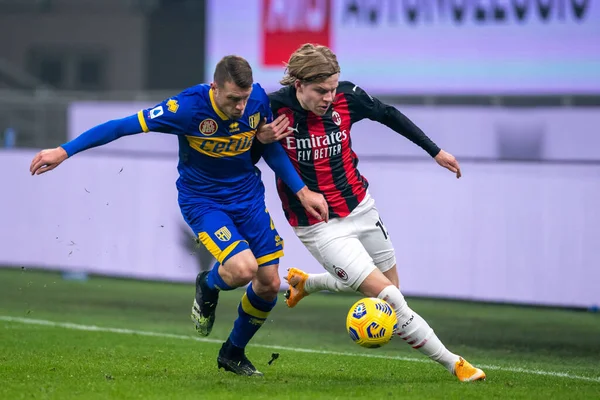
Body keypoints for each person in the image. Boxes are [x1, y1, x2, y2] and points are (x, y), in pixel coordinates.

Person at [29, 55, 328, 377]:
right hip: (204, 201)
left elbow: (268, 147)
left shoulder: (256, 100)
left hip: (248, 198)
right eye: (232, 99)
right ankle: (209, 285)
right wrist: (64, 151)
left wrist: (301, 190)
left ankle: (232, 353)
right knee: (243, 270)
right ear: (215, 88)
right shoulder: (185, 108)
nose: (241, 106)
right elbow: (120, 126)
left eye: (244, 99)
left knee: (269, 283)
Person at [252, 44, 485, 382]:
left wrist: (434, 151)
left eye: (333, 88)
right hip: (318, 225)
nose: (329, 97)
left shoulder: (348, 98)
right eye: (321, 90)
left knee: (391, 293)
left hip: (361, 206)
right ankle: (456, 364)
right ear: (298, 84)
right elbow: (244, 155)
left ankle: (307, 283)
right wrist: (259, 138)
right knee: (388, 296)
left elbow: (387, 114)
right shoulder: (272, 108)